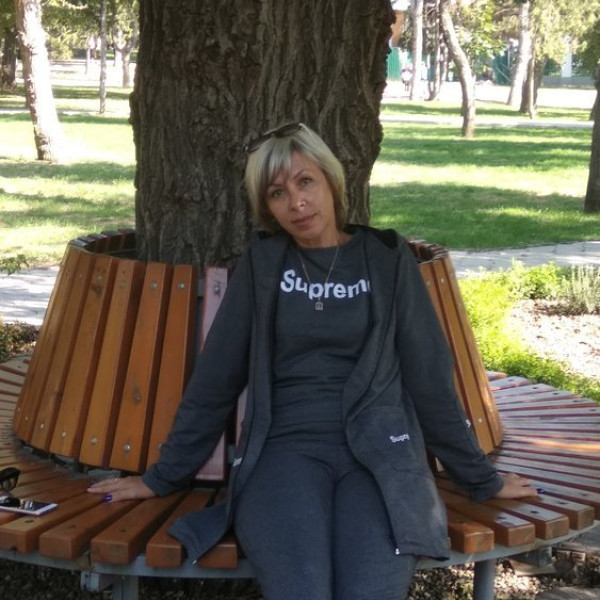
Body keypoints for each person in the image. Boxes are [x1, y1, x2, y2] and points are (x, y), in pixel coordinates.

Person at [88, 122, 536, 600]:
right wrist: (163, 476)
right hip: (283, 453)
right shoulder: (264, 264)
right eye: (277, 193)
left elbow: (429, 378)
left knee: (369, 591)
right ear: (267, 207)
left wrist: (480, 479)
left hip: (380, 455)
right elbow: (217, 377)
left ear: (331, 181)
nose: (296, 203)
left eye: (305, 182)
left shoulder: (386, 259)